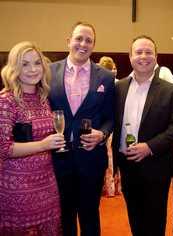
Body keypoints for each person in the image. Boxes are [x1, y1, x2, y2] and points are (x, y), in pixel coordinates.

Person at [112, 35, 173, 236]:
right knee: (135, 220)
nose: (143, 56)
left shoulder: (171, 91)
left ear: (156, 56)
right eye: (138, 52)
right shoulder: (118, 88)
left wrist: (150, 147)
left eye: (148, 52)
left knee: (154, 222)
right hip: (127, 165)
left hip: (156, 166)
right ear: (130, 57)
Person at [49, 22, 115, 236]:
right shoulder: (49, 72)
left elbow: (111, 117)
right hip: (58, 158)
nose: (83, 44)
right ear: (69, 41)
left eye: (89, 40)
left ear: (94, 45)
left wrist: (102, 134)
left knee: (90, 216)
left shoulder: (105, 76)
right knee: (64, 216)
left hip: (91, 158)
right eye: (79, 38)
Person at [0, 41, 63, 235]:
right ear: (14, 68)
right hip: (17, 187)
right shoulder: (6, 101)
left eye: (37, 63)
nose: (33, 69)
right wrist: (43, 145)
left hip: (47, 184)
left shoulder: (43, 97)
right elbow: (4, 148)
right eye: (25, 64)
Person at [97, 55, 121, 197]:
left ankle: (108, 187)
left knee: (109, 157)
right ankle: (113, 188)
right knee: (111, 157)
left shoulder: (111, 83)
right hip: (112, 126)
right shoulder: (117, 83)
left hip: (104, 126)